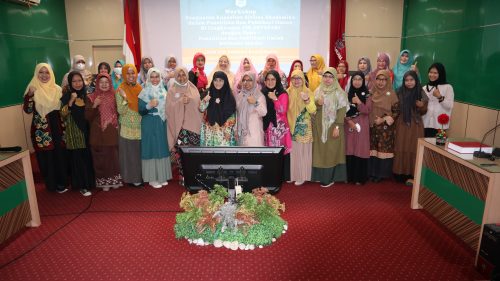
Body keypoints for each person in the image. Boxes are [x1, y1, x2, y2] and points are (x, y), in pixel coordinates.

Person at [23, 63, 68, 193]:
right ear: (37, 74)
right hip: (42, 130)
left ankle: (62, 183)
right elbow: (28, 110)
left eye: (47, 72)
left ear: (51, 74)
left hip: (58, 126)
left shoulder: (58, 89)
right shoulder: (33, 89)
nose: (44, 75)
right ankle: (51, 184)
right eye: (41, 72)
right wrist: (30, 96)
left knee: (59, 155)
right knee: (46, 157)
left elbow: (64, 109)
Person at [311, 67, 349, 187]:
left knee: (331, 151)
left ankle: (330, 178)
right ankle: (318, 176)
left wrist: (337, 127)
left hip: (334, 126)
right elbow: (312, 108)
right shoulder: (318, 90)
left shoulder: (340, 92)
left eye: (330, 77)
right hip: (319, 126)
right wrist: (318, 103)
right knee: (320, 151)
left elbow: (342, 111)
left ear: (334, 78)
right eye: (325, 76)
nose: (327, 79)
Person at [85, 73, 122, 191]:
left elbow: (121, 110)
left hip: (111, 129)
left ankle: (114, 180)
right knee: (100, 157)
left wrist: (124, 98)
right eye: (101, 82)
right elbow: (87, 117)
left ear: (110, 83)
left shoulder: (115, 95)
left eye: (107, 82)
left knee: (113, 156)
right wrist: (94, 105)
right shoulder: (91, 97)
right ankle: (103, 182)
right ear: (97, 84)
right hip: (97, 131)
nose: (104, 84)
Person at [60, 71, 95, 196]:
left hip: (87, 130)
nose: (78, 83)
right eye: (74, 81)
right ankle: (82, 185)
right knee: (78, 159)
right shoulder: (66, 96)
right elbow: (63, 115)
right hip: (75, 132)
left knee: (87, 157)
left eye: (79, 80)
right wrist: (71, 101)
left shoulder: (87, 95)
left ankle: (89, 182)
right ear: (70, 83)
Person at [167, 66, 202, 183]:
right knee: (182, 154)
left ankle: (194, 177)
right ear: (176, 77)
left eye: (183, 75)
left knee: (193, 153)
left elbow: (199, 107)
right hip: (180, 128)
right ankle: (184, 177)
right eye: (179, 75)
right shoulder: (172, 90)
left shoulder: (193, 88)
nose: (181, 78)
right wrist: (180, 102)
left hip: (193, 127)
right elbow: (168, 108)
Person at [138, 68, 172, 188]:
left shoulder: (164, 90)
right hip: (149, 122)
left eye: (157, 76)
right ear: (148, 78)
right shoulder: (144, 91)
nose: (154, 79)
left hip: (161, 122)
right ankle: (152, 178)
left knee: (161, 147)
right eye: (152, 77)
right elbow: (140, 110)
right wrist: (148, 105)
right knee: (151, 147)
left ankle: (162, 176)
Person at [393, 71, 428, 185]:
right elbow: (394, 108)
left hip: (416, 124)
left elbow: (424, 111)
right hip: (402, 123)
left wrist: (421, 106)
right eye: (406, 80)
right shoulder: (399, 92)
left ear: (416, 80)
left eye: (411, 80)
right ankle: (400, 173)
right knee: (401, 146)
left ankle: (413, 174)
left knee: (413, 148)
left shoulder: (420, 92)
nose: (409, 83)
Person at [368, 70, 399, 183]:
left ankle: (381, 174)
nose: (380, 82)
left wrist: (384, 119)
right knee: (373, 149)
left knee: (382, 150)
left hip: (385, 128)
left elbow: (396, 111)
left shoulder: (392, 94)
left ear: (388, 81)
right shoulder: (372, 92)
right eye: (378, 79)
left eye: (383, 79)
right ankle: (372, 172)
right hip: (372, 125)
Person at [287, 69, 316, 186]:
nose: (296, 80)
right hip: (290, 124)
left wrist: (307, 100)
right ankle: (293, 174)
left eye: (299, 78)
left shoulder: (308, 91)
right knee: (293, 152)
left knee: (303, 152)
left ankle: (303, 176)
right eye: (294, 78)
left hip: (303, 126)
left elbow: (313, 110)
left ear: (303, 79)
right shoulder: (287, 91)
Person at [262, 70, 292, 181]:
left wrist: (274, 98)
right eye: (268, 79)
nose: (270, 82)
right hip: (267, 128)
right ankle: (271, 175)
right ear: (264, 81)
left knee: (279, 153)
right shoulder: (263, 92)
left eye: (273, 79)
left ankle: (282, 177)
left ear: (277, 80)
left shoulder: (282, 93)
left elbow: (282, 110)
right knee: (269, 153)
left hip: (279, 129)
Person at [116, 64, 143, 186]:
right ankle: (131, 178)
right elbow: (121, 111)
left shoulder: (140, 88)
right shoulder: (120, 89)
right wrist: (125, 98)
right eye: (128, 73)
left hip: (139, 125)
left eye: (133, 73)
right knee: (129, 154)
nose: (131, 76)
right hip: (127, 127)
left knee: (138, 153)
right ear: (124, 74)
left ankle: (139, 177)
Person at [344, 71, 372, 185]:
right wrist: (349, 121)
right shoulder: (347, 94)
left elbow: (367, 110)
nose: (357, 81)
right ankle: (349, 176)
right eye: (354, 79)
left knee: (360, 149)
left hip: (362, 125)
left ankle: (359, 178)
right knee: (350, 149)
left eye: (359, 79)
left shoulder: (368, 95)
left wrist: (359, 102)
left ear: (363, 81)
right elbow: (343, 111)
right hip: (349, 125)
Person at [200, 71, 237, 146]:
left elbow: (232, 115)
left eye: (221, 80)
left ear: (225, 81)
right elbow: (201, 109)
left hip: (223, 131)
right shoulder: (208, 92)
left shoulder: (229, 95)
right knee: (210, 154)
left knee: (223, 155)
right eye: (215, 80)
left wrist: (227, 131)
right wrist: (205, 101)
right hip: (209, 129)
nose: (218, 83)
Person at [422, 63, 454, 137]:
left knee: (437, 147)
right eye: (430, 72)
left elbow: (449, 106)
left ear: (441, 73)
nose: (432, 75)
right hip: (425, 123)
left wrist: (439, 97)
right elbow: (423, 106)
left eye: (435, 73)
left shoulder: (448, 87)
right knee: (424, 146)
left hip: (439, 125)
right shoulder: (424, 88)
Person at [236, 72, 267, 146]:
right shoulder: (240, 96)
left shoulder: (259, 95)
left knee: (255, 155)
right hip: (242, 132)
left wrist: (255, 102)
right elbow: (237, 114)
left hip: (254, 131)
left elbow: (264, 112)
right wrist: (236, 129)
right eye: (244, 80)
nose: (246, 83)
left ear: (254, 81)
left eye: (250, 80)